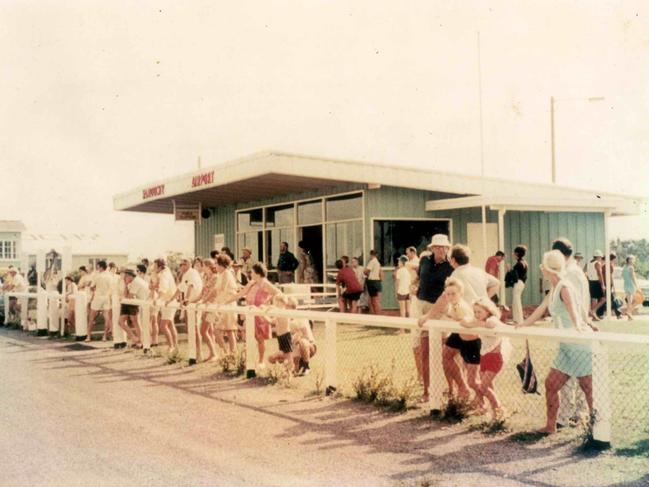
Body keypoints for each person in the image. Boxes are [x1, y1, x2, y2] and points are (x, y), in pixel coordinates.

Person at [517, 250, 593, 435]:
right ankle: (550, 426)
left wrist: (578, 326)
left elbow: (573, 309)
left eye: (542, 266)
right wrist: (522, 324)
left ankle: (597, 429)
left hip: (577, 346)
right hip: (565, 347)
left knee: (588, 389)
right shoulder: (554, 287)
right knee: (551, 384)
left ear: (546, 268)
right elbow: (540, 310)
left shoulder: (564, 286)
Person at [414, 234, 454, 403]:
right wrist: (413, 286)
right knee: (424, 350)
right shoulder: (424, 261)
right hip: (422, 306)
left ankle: (452, 389)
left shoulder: (451, 267)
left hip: (441, 308)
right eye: (436, 247)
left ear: (447, 249)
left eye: (442, 247)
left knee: (447, 352)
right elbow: (418, 277)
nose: (439, 250)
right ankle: (426, 390)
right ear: (431, 248)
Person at [462, 297, 511, 419]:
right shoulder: (477, 320)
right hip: (484, 357)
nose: (477, 314)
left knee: (483, 386)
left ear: (488, 311)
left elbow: (490, 325)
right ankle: (490, 410)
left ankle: (499, 409)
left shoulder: (492, 319)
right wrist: (468, 322)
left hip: (495, 357)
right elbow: (463, 322)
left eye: (479, 312)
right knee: (487, 385)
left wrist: (474, 323)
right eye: (475, 312)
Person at [232, 263, 284, 366]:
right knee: (247, 338)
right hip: (250, 313)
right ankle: (247, 361)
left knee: (260, 339)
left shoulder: (265, 283)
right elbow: (240, 294)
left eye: (252, 272)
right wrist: (225, 301)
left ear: (258, 273)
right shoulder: (252, 283)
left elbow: (278, 293)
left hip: (260, 315)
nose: (250, 273)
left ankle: (261, 361)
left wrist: (268, 304)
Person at [214, 254, 239, 355]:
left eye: (216, 264)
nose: (215, 266)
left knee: (226, 330)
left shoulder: (227, 274)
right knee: (229, 331)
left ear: (221, 264)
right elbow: (216, 290)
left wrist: (217, 302)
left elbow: (222, 289)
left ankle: (229, 353)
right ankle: (229, 353)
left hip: (228, 305)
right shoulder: (221, 275)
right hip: (223, 305)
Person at [267, 295, 297, 374]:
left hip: (285, 335)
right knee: (284, 353)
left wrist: (266, 312)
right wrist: (264, 315)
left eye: (276, 303)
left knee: (288, 354)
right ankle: (287, 369)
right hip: (280, 336)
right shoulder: (278, 311)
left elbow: (271, 321)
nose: (275, 305)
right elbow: (271, 321)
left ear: (282, 303)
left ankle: (290, 370)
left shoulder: (283, 311)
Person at [155, 258, 179, 352]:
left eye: (155, 266)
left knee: (163, 326)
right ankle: (175, 346)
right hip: (168, 302)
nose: (154, 268)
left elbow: (163, 290)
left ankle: (171, 346)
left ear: (160, 267)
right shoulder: (165, 273)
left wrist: (157, 299)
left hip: (169, 302)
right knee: (171, 324)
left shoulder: (164, 275)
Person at [86, 260, 113, 342]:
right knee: (107, 318)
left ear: (101, 267)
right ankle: (104, 336)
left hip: (98, 297)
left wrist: (94, 288)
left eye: (98, 267)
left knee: (91, 317)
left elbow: (91, 287)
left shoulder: (97, 276)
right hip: (106, 297)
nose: (97, 268)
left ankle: (88, 336)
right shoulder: (110, 276)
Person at [119, 269, 145, 348]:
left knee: (135, 322)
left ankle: (140, 341)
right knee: (121, 322)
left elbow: (129, 296)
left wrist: (124, 296)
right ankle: (134, 339)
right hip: (128, 302)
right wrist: (125, 284)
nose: (124, 278)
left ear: (130, 276)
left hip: (134, 302)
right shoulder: (128, 282)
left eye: (125, 276)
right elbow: (126, 295)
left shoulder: (136, 282)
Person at [586, 250, 605, 321]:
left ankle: (594, 316)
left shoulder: (588, 263)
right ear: (598, 257)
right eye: (600, 257)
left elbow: (585, 272)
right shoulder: (597, 263)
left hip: (591, 282)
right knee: (604, 298)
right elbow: (600, 274)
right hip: (597, 282)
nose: (601, 258)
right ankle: (593, 311)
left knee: (594, 299)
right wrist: (602, 285)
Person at [511, 245, 528, 324]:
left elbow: (514, 276)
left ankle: (518, 320)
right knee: (516, 300)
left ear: (517, 254)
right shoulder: (524, 262)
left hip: (518, 282)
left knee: (516, 300)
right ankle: (517, 319)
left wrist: (509, 270)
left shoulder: (518, 264)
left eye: (514, 252)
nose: (512, 254)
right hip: (521, 283)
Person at [364, 250, 383, 315]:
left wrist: (365, 272)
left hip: (372, 282)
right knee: (377, 300)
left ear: (371, 255)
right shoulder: (378, 263)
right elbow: (381, 274)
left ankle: (376, 314)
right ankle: (378, 314)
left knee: (373, 300)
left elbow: (366, 271)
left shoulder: (372, 262)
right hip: (377, 282)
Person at [623, 255, 641, 320]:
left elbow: (623, 276)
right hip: (631, 285)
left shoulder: (624, 267)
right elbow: (633, 277)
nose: (633, 261)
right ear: (630, 260)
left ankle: (629, 316)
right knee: (638, 300)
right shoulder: (631, 267)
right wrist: (637, 286)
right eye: (633, 259)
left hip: (626, 285)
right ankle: (629, 312)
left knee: (629, 301)